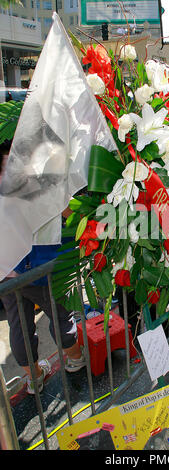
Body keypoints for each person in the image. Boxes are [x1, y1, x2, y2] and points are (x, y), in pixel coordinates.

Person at [0, 141, 85, 395]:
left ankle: (35, 378)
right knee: (61, 317)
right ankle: (76, 359)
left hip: (7, 273)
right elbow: (72, 212)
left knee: (20, 326)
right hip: (40, 269)